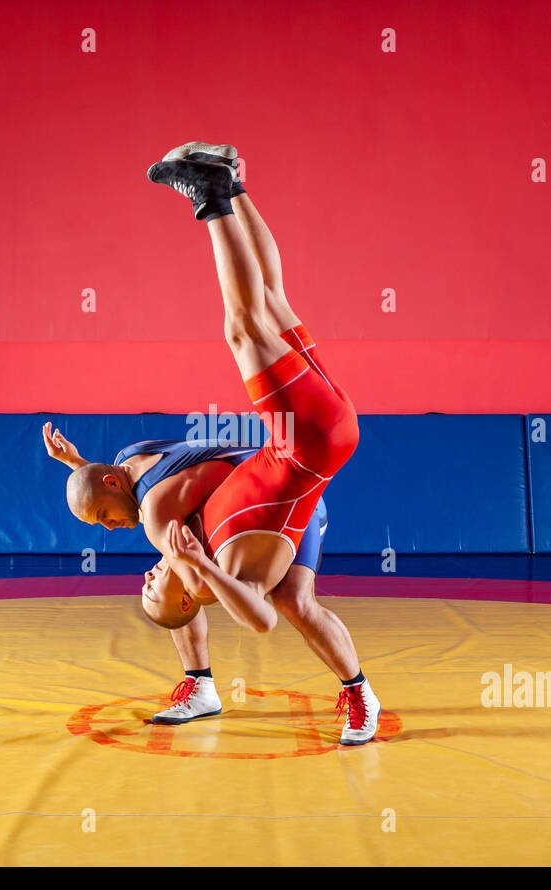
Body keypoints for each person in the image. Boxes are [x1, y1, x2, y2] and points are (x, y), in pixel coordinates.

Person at [139, 141, 379, 743]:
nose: (145, 580)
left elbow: (131, 493)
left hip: (307, 441)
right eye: (155, 593)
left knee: (269, 303)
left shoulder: (189, 533)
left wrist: (80, 464)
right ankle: (210, 194)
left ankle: (231, 182)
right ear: (188, 599)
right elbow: (264, 621)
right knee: (241, 329)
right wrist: (198, 569)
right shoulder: (226, 568)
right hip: (311, 443)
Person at [43, 424, 371, 743]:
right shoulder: (130, 456)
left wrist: (186, 588)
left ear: (112, 482)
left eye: (102, 515)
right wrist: (76, 464)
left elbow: (198, 590)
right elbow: (111, 485)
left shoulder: (157, 511)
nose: (110, 527)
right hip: (267, 497)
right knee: (173, 576)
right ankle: (200, 685)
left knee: (292, 601)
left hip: (289, 501)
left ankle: (360, 694)